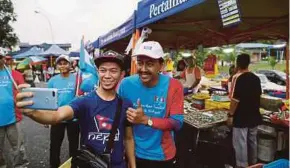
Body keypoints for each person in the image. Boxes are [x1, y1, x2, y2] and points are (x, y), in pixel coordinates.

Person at [15, 51, 136, 168]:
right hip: (90, 163)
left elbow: (128, 138)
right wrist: (33, 113)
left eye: (113, 71)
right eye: (103, 70)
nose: (107, 75)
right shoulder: (84, 101)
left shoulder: (126, 104)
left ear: (122, 74)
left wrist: (133, 165)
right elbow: (57, 116)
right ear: (98, 72)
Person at [118, 41, 184, 168]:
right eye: (140, 63)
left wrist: (146, 120)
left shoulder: (174, 86)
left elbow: (177, 123)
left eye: (149, 64)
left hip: (162, 155)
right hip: (133, 153)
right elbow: (122, 120)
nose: (143, 69)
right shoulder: (126, 84)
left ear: (161, 65)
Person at [227, 54, 262, 168]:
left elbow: (235, 100)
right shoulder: (256, 78)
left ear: (237, 64)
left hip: (241, 116)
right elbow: (258, 96)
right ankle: (254, 163)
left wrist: (230, 115)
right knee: (252, 141)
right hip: (254, 115)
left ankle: (242, 166)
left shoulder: (237, 77)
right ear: (248, 63)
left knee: (240, 143)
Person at [47, 55, 82, 168]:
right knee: (55, 145)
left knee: (74, 146)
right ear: (57, 66)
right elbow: (48, 99)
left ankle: (74, 165)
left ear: (70, 64)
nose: (62, 65)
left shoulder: (77, 78)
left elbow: (83, 95)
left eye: (65, 63)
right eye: (60, 63)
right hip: (58, 117)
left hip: (73, 117)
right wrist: (46, 116)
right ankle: (54, 165)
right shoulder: (53, 80)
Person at [0, 54, 29, 168]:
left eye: (1, 57)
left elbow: (23, 92)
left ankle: (20, 165)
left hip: (13, 117)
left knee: (17, 146)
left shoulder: (14, 74)